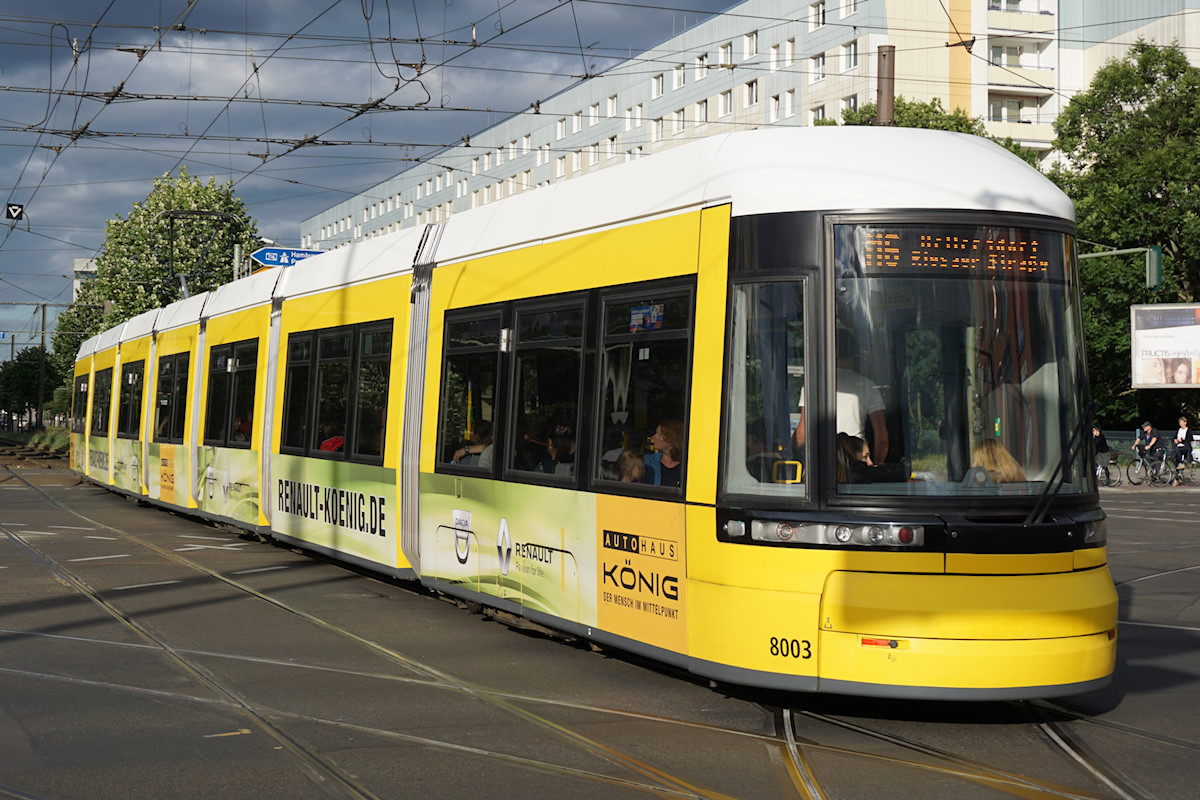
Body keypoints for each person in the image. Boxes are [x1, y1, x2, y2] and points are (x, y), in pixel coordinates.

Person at [793, 337, 889, 463]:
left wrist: (793, 454)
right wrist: (876, 468)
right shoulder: (867, 385)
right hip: (857, 456)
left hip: (823, 458)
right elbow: (881, 438)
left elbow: (801, 434)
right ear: (854, 353)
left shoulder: (813, 385)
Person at [641, 419, 683, 487]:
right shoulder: (647, 462)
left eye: (659, 435)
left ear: (671, 439)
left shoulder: (687, 467)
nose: (653, 437)